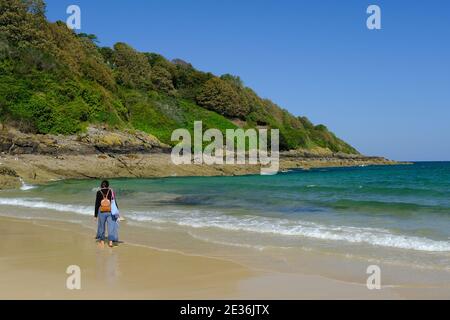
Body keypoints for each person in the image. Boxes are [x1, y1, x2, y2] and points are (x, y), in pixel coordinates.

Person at [94, 180, 119, 247]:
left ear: (101, 186)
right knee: (111, 226)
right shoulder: (111, 191)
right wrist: (117, 211)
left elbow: (97, 204)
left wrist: (95, 215)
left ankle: (102, 241)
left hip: (101, 211)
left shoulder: (98, 192)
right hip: (110, 211)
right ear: (108, 186)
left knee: (102, 226)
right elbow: (114, 202)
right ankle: (110, 242)